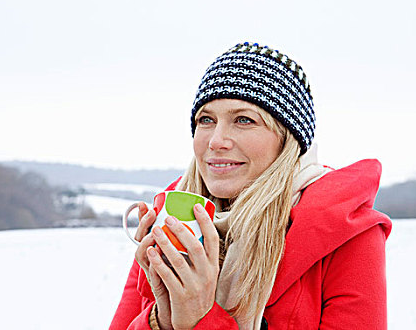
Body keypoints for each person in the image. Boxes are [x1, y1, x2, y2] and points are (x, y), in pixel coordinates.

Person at [109, 42, 392, 330]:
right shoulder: (172, 220)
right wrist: (161, 321)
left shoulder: (346, 232)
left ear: (286, 140)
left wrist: (201, 320)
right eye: (206, 120)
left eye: (244, 120)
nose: (216, 140)